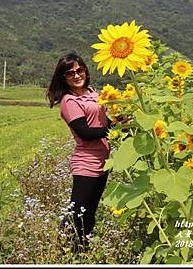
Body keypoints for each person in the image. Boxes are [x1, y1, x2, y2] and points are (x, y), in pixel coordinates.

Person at [46, 53, 114, 251]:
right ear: (63, 78)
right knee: (78, 212)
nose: (76, 75)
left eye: (80, 70)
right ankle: (64, 251)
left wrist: (121, 121)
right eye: (70, 73)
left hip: (103, 162)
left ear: (85, 70)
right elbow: (85, 133)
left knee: (90, 212)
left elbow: (104, 122)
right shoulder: (69, 101)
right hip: (86, 163)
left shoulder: (93, 93)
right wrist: (115, 129)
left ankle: (82, 250)